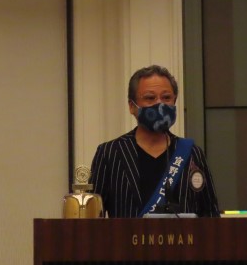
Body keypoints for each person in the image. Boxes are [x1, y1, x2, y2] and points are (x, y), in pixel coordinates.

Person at [91, 65, 220, 218]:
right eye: (150, 98)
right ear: (132, 106)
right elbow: (93, 219)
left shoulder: (192, 153)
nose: (160, 104)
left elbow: (210, 215)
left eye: (166, 98)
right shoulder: (110, 153)